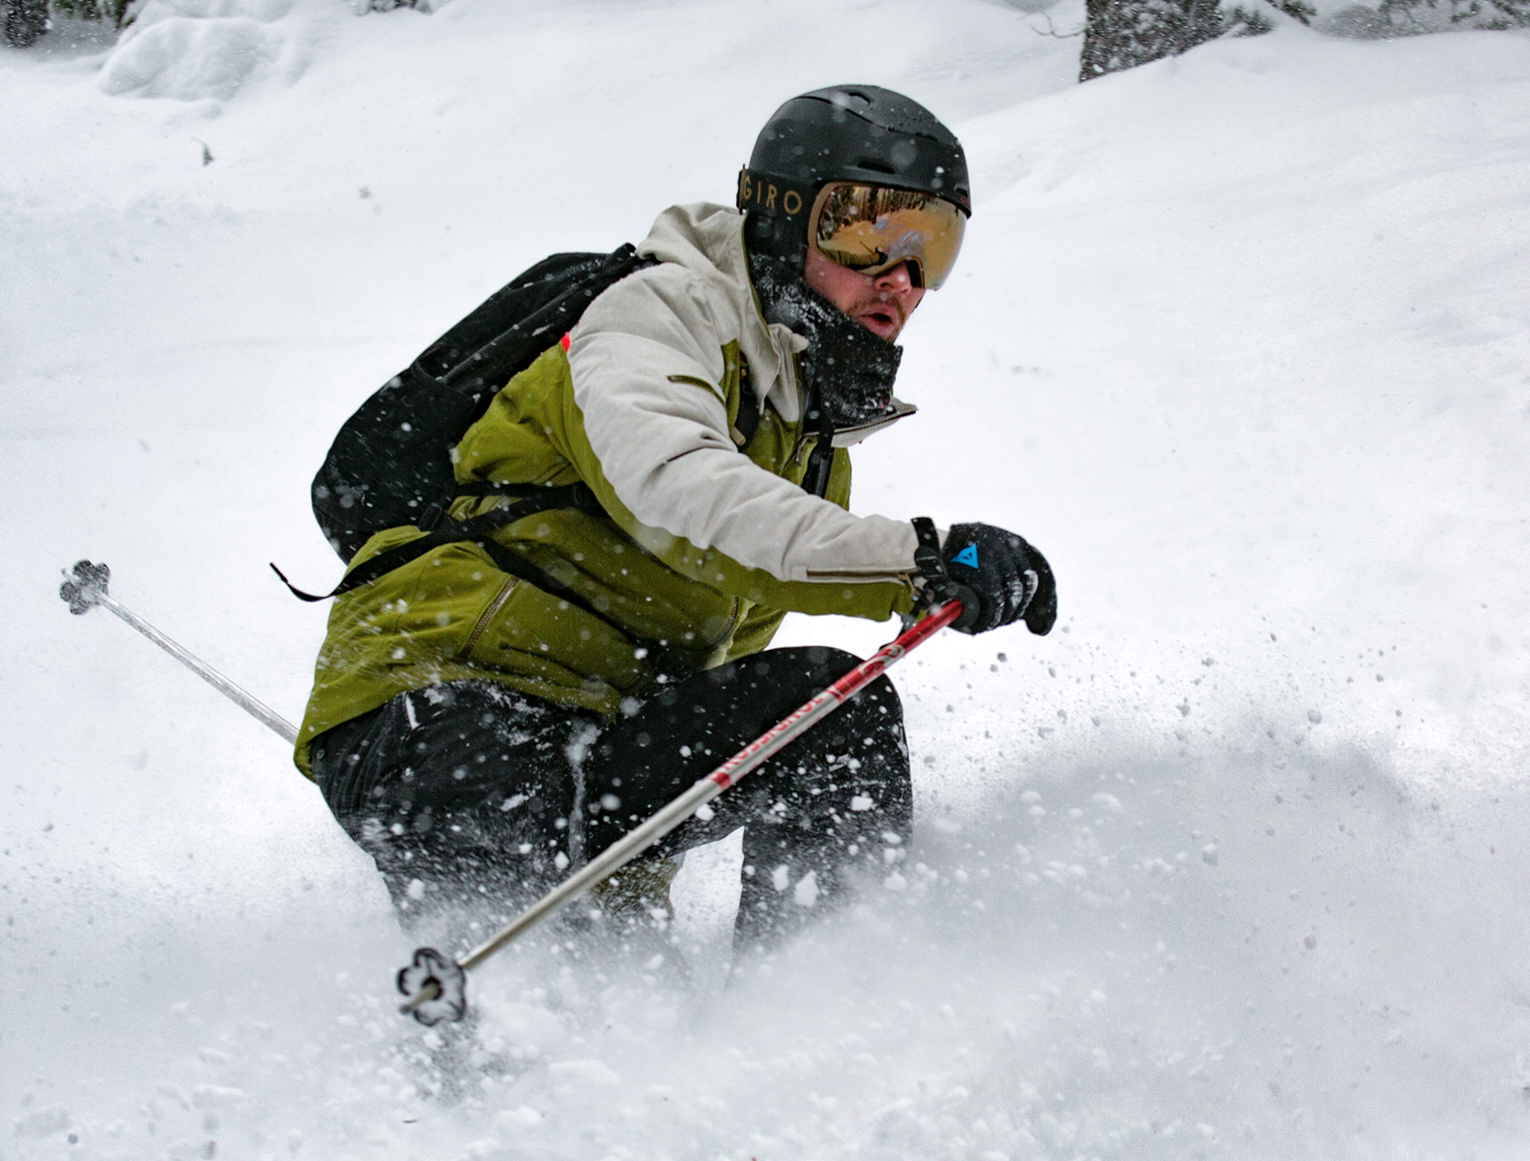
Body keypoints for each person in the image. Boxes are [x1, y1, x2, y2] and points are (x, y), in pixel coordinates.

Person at [295, 85, 1058, 947]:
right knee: (531, 999)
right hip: (446, 706)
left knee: (830, 723)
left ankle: (813, 1027)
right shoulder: (651, 319)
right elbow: (683, 495)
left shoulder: (802, 436)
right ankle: (498, 1050)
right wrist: (917, 561)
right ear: (781, 216)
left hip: (594, 746)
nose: (901, 277)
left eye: (934, 248)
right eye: (868, 227)